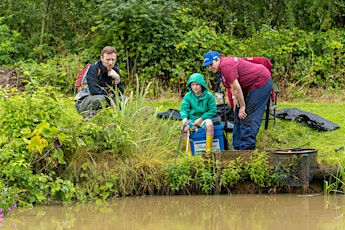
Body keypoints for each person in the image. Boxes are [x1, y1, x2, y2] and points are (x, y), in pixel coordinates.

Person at [203, 51, 272, 150]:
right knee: (238, 114)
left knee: (248, 115)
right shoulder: (221, 70)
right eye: (207, 66)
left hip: (261, 81)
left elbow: (237, 88)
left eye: (211, 64)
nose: (210, 68)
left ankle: (247, 149)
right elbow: (232, 87)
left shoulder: (226, 66)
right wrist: (235, 98)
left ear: (217, 59)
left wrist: (243, 106)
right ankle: (237, 148)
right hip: (248, 85)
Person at [74, 46, 125, 117]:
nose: (110, 63)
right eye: (108, 59)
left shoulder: (115, 70)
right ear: (102, 58)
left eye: (113, 60)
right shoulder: (93, 69)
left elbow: (120, 93)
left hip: (104, 99)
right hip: (84, 102)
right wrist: (109, 95)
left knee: (123, 100)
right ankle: (87, 117)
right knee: (100, 99)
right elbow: (94, 90)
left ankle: (110, 117)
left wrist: (117, 79)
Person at [180, 73, 217, 155]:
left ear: (202, 85)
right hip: (192, 119)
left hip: (204, 118)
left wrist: (201, 119)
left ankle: (208, 152)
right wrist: (184, 118)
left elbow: (213, 110)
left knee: (210, 125)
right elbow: (184, 109)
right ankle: (188, 154)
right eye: (192, 84)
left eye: (197, 84)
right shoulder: (188, 96)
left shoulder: (209, 96)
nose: (195, 87)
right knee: (184, 129)